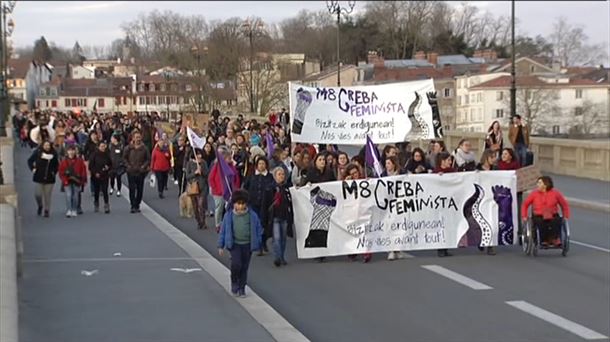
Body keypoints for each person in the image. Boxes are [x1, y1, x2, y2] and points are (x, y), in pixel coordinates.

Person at [217, 189, 264, 298]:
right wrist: (221, 245)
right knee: (236, 264)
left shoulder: (252, 215)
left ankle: (242, 287)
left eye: (243, 204)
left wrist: (258, 241)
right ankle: (234, 282)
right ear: (234, 204)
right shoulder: (229, 216)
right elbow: (223, 231)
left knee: (244, 267)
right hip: (235, 244)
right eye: (238, 204)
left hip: (247, 244)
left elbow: (258, 228)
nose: (241, 206)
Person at [522, 176, 570, 247]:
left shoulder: (555, 193)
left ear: (545, 184)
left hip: (552, 214)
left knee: (557, 221)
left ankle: (554, 239)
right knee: (541, 222)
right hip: (539, 215)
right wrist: (524, 216)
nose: (537, 185)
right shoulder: (534, 194)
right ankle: (544, 240)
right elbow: (525, 205)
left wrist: (566, 216)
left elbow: (564, 205)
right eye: (538, 183)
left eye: (539, 183)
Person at [243, 156, 275, 256]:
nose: (261, 166)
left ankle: (264, 242)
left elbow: (273, 188)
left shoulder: (269, 176)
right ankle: (259, 245)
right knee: (256, 224)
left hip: (266, 205)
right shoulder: (252, 176)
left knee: (264, 223)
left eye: (263, 164)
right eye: (259, 164)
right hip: (253, 203)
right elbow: (245, 187)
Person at [344, 163, 373, 263]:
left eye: (355, 173)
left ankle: (366, 253)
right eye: (351, 174)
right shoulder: (346, 182)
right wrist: (346, 183)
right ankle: (353, 251)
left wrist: (370, 182)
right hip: (351, 211)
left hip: (363, 210)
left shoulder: (364, 181)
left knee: (364, 230)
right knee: (353, 231)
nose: (354, 175)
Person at [209, 146, 241, 231]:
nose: (230, 159)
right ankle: (218, 224)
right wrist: (215, 189)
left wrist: (236, 188)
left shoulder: (232, 167)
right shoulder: (217, 166)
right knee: (219, 208)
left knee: (229, 207)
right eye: (228, 158)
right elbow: (211, 178)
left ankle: (228, 223)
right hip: (219, 192)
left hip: (230, 191)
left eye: (230, 158)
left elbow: (235, 177)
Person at [475, 149, 498, 255]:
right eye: (492, 157)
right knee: (482, 221)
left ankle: (490, 245)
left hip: (493, 199)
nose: (494, 159)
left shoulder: (496, 169)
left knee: (492, 221)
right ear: (486, 158)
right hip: (481, 199)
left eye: (495, 157)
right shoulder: (477, 168)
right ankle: (481, 240)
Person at [27, 140, 59, 217]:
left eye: (48, 145)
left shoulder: (54, 154)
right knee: (37, 194)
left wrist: (54, 172)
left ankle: (47, 210)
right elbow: (30, 161)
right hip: (39, 176)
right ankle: (40, 205)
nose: (47, 147)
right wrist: (33, 168)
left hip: (49, 178)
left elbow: (57, 165)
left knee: (47, 195)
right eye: (45, 145)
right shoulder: (38, 153)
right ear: (42, 146)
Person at [433, 151, 456, 257]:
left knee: (449, 225)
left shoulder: (452, 171)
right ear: (442, 161)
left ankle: (446, 247)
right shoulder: (436, 172)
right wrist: (438, 177)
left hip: (450, 202)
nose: (450, 162)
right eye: (448, 160)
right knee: (441, 225)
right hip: (440, 203)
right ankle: (441, 248)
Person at [269, 167, 293, 267]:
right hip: (275, 216)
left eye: (283, 174)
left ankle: (282, 257)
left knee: (283, 238)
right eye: (279, 174)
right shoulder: (271, 188)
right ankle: (277, 257)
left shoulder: (287, 188)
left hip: (284, 216)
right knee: (277, 238)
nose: (281, 176)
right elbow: (266, 202)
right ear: (275, 176)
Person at [123, 131, 150, 213]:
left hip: (140, 171)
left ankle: (137, 204)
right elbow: (124, 158)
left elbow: (148, 159)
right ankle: (133, 205)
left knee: (139, 189)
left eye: (139, 137)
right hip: (131, 171)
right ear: (133, 138)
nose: (138, 139)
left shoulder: (144, 148)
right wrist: (128, 166)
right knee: (132, 189)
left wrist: (143, 166)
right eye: (136, 137)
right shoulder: (128, 148)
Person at [58, 145, 87, 217]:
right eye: (69, 150)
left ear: (75, 151)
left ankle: (74, 209)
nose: (71, 152)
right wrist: (64, 180)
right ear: (67, 152)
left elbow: (83, 171)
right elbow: (61, 172)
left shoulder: (80, 161)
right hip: (67, 180)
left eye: (72, 150)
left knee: (76, 196)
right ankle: (69, 209)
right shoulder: (64, 161)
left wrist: (84, 180)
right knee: (69, 195)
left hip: (77, 180)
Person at [185, 148, 210, 230]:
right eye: (197, 154)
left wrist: (201, 171)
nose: (199, 156)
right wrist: (194, 173)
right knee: (195, 206)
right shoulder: (189, 163)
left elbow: (207, 174)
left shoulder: (203, 163)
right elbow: (187, 176)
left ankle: (203, 221)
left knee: (201, 205)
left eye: (200, 154)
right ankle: (199, 221)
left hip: (203, 187)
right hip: (193, 187)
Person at [88, 142, 113, 213]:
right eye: (101, 146)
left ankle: (106, 205)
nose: (103, 148)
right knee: (96, 191)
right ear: (98, 147)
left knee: (105, 190)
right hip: (96, 175)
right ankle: (96, 203)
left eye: (104, 146)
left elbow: (110, 164)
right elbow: (91, 166)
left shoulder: (107, 155)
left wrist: (108, 168)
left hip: (104, 175)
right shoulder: (94, 155)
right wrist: (95, 173)